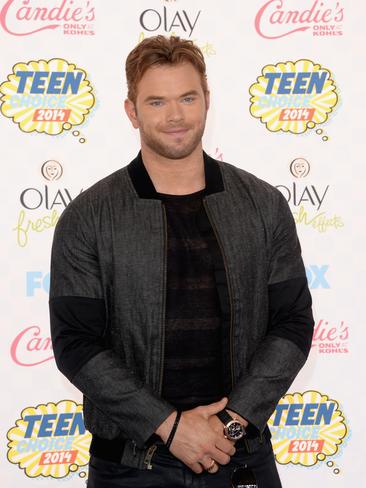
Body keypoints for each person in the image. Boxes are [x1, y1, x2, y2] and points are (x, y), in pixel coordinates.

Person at [49, 35, 314, 487]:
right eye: (157, 102)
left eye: (188, 98)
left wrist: (229, 426)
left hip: (241, 455)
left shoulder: (263, 205)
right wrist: (170, 428)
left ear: (207, 101)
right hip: (129, 468)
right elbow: (76, 343)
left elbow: (292, 323)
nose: (175, 116)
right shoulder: (88, 216)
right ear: (131, 111)